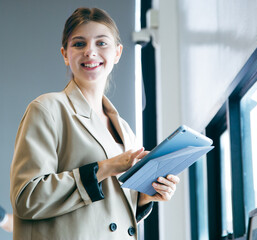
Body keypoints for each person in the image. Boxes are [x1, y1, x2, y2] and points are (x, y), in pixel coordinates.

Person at [10, 7, 179, 240]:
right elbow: (27, 199)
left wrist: (145, 197)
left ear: (118, 52)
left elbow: (103, 216)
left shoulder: (125, 130)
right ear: (65, 54)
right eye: (79, 44)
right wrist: (105, 167)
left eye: (101, 43)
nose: (90, 51)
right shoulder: (47, 109)